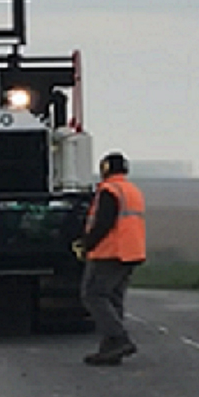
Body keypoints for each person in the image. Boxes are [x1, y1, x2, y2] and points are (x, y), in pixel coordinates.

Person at [75, 152, 147, 365]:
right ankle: (109, 350)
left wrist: (86, 243)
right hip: (131, 252)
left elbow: (104, 222)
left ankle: (118, 339)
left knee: (93, 295)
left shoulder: (109, 190)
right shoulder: (132, 190)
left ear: (105, 167)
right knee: (114, 299)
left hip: (110, 252)